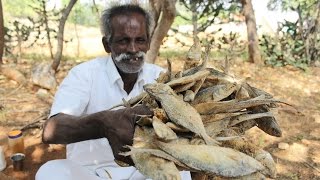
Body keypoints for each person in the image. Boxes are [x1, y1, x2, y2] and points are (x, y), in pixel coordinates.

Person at [35, 3, 191, 180]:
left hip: (146, 172)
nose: (133, 49)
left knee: (181, 173)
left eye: (140, 40)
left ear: (148, 43)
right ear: (107, 44)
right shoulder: (84, 75)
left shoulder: (160, 78)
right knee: (50, 172)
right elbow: (51, 131)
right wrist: (103, 123)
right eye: (123, 40)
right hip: (90, 173)